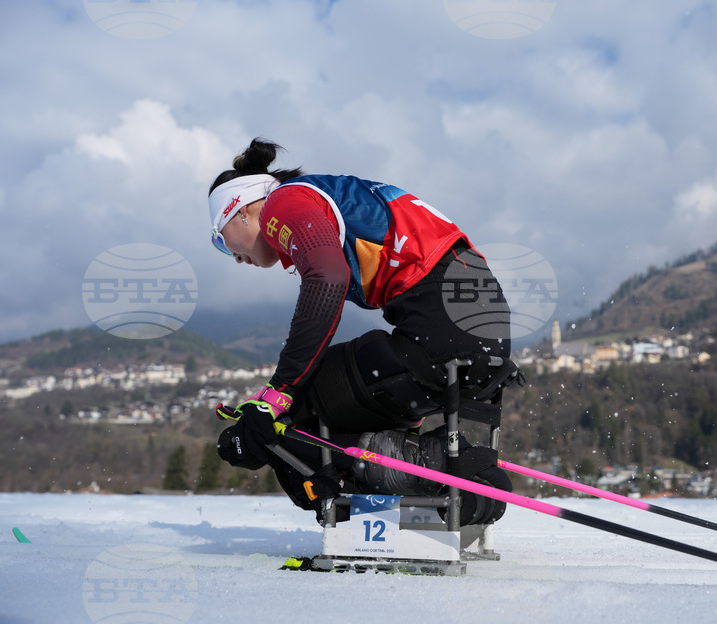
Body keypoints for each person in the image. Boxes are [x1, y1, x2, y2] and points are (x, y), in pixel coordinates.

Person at [208, 138, 517, 524]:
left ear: (242, 211)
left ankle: (432, 464)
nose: (233, 256)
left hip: (442, 331)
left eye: (221, 240)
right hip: (484, 331)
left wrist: (279, 393)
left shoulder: (283, 203)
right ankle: (423, 464)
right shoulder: (321, 197)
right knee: (328, 391)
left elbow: (327, 280)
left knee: (293, 411)